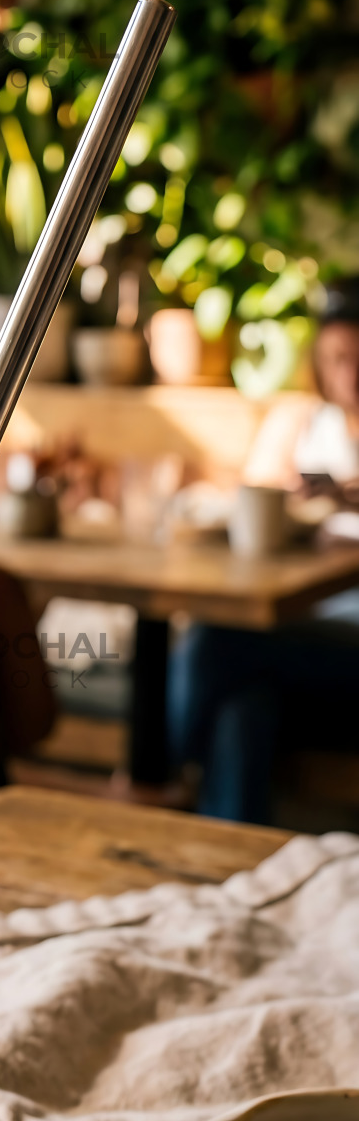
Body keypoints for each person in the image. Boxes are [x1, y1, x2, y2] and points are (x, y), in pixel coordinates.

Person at [168, 279, 359, 824]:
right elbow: (254, 515)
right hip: (298, 633)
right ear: (321, 364)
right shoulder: (301, 427)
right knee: (243, 708)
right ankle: (227, 875)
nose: (352, 374)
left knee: (215, 640)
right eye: (339, 358)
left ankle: (157, 772)